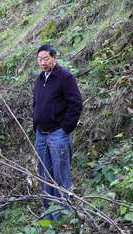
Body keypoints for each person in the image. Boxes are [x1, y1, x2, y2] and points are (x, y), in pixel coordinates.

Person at [33, 44, 83, 221]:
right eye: (40, 60)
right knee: (45, 174)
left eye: (46, 59)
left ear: (54, 58)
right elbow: (36, 104)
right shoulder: (40, 79)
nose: (43, 63)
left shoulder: (65, 77)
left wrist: (65, 128)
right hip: (41, 134)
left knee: (61, 174)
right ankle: (50, 215)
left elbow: (76, 104)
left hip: (57, 134)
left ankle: (64, 217)